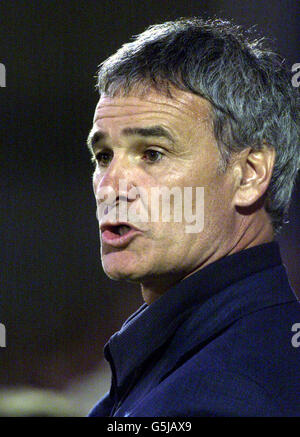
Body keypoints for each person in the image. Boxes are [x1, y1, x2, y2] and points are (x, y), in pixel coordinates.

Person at [86, 17, 300, 417]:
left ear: (250, 174)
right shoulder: (189, 363)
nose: (110, 185)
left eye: (152, 153)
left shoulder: (229, 395)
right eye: (103, 156)